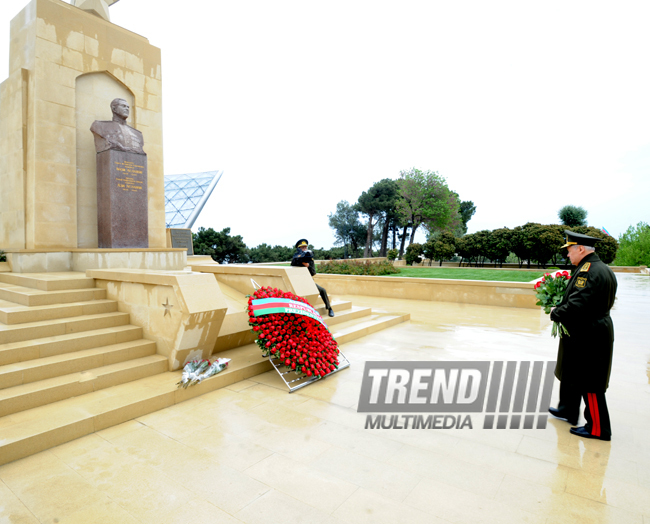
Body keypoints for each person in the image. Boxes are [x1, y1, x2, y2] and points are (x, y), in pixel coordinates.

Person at [548, 230, 617, 441]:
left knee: (591, 382)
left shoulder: (588, 271)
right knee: (575, 373)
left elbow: (578, 305)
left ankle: (598, 428)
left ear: (580, 249)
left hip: (589, 334)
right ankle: (568, 410)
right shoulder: (601, 268)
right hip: (589, 330)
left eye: (569, 251)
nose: (568, 255)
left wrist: (555, 312)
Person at [291, 239, 335, 317]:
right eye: (302, 248)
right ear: (298, 249)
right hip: (297, 282)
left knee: (322, 290)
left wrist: (308, 266)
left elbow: (313, 273)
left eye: (305, 247)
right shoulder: (295, 258)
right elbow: (291, 270)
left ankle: (329, 308)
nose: (304, 249)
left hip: (308, 281)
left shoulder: (310, 259)